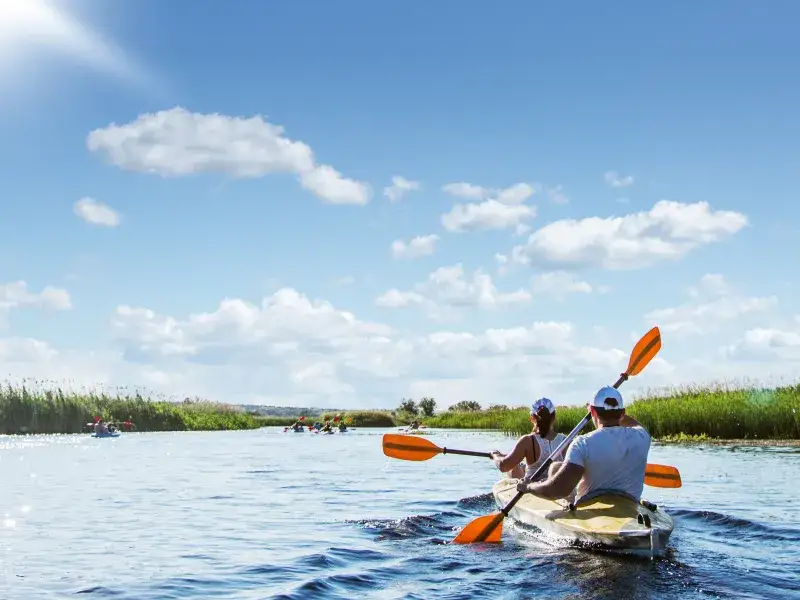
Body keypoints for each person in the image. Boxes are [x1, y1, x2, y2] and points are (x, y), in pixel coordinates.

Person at [516, 386, 651, 506]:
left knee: (556, 469)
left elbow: (557, 490)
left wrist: (528, 487)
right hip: (630, 504)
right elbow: (633, 422)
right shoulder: (643, 436)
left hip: (588, 506)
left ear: (592, 412)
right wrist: (614, 409)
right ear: (622, 413)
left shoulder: (582, 443)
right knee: (555, 466)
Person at [490, 398, 569, 483]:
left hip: (533, 489)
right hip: (558, 487)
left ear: (532, 418)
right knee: (520, 464)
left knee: (514, 466)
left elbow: (503, 466)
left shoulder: (527, 441)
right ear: (554, 417)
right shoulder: (566, 440)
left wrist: (495, 455)